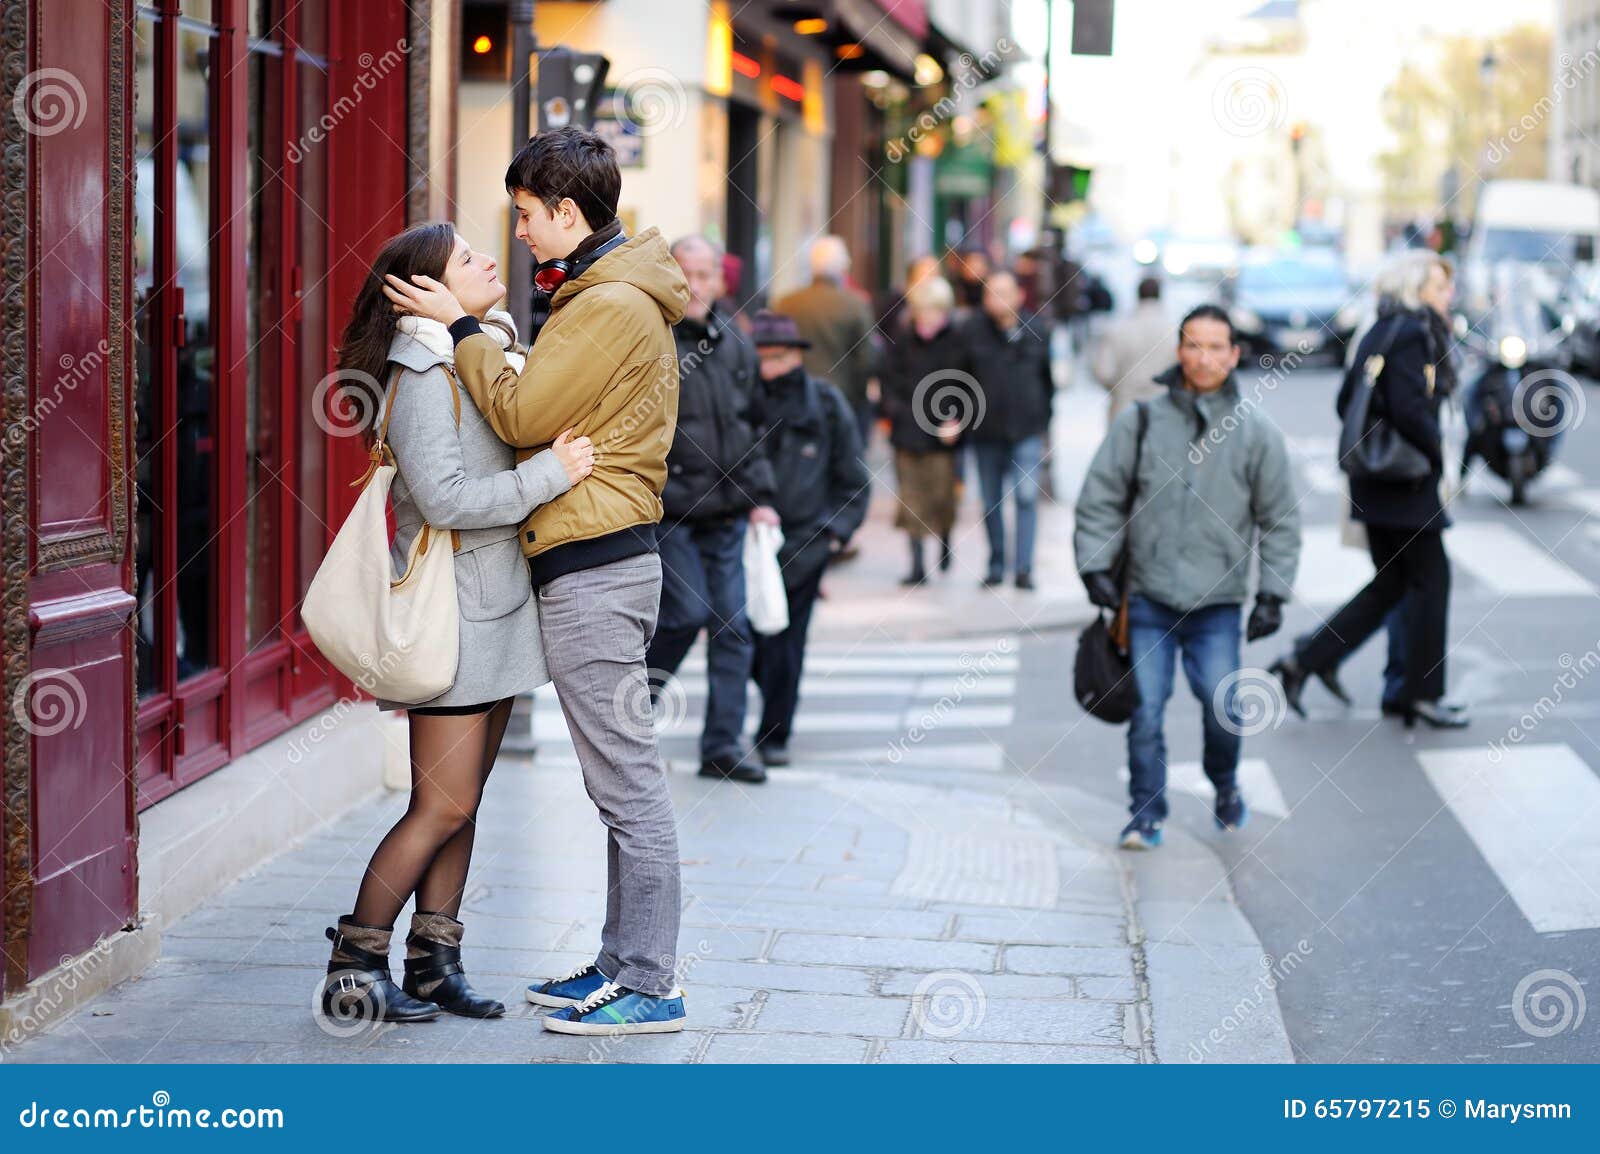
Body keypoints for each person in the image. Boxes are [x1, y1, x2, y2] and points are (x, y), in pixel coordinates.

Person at [384, 126, 691, 1035]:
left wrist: (465, 330)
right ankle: (618, 964)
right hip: (596, 555)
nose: (515, 231)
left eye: (523, 215)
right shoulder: (601, 291)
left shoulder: (606, 305)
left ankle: (649, 983)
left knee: (625, 783)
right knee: (616, 779)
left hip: (598, 565)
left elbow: (519, 414)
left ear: (568, 211)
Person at [322, 223, 595, 1024]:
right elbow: (443, 501)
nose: (486, 260)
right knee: (438, 806)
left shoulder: (480, 354)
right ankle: (354, 962)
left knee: (464, 802)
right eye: (465, 258)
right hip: (457, 616)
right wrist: (551, 474)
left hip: (501, 608)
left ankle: (435, 961)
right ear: (426, 291)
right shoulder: (422, 373)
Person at [1075, 305, 1301, 850]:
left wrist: (1272, 593)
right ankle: (1145, 814)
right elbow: (1100, 497)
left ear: (1234, 354)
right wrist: (1096, 564)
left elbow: (1280, 519)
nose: (1204, 358)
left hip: (1218, 602)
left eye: (1216, 347)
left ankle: (1225, 787)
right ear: (1179, 351)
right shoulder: (1141, 421)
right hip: (1148, 597)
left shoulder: (1256, 433)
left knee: (1223, 709)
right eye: (1194, 345)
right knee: (1147, 711)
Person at [1270, 251, 1468, 730]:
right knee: (1431, 578)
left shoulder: (1379, 328)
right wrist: (1435, 456)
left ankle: (1306, 661)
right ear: (1418, 289)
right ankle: (1421, 695)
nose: (1448, 296)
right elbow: (1408, 407)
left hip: (1371, 479)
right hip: (1405, 482)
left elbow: (1346, 401)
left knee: (1392, 585)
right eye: (1440, 287)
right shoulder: (1416, 333)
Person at [648, 235, 779, 785]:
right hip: (671, 509)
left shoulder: (734, 342)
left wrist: (761, 498)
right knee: (685, 614)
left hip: (727, 511)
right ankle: (628, 713)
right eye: (688, 274)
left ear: (721, 281)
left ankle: (723, 744)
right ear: (671, 276)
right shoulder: (652, 337)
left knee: (735, 625)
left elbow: (751, 425)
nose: (698, 285)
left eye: (707, 275)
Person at [746, 311, 871, 768]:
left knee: (786, 643)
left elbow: (853, 479)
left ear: (796, 356)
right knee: (746, 639)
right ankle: (742, 723)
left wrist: (832, 533)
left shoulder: (825, 403)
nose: (770, 367)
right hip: (745, 540)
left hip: (804, 541)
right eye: (762, 357)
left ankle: (775, 733)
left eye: (778, 357)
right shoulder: (741, 398)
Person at [963, 267, 1055, 590]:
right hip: (986, 432)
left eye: (1005, 291)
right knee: (991, 502)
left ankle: (1024, 568)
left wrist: (1045, 424)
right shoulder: (973, 331)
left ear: (1019, 295)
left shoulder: (1036, 329)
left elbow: (1047, 381)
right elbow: (959, 378)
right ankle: (997, 563)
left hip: (1026, 431)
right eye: (992, 292)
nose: (999, 299)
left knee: (1027, 498)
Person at [881, 276, 970, 585]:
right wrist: (894, 410)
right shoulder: (902, 339)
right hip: (907, 431)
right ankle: (917, 564)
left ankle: (945, 541)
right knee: (911, 498)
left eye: (933, 310)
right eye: (922, 310)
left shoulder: (957, 341)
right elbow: (889, 381)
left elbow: (966, 385)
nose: (927, 317)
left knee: (942, 496)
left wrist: (957, 419)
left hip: (942, 436)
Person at [775, 236, 878, 446]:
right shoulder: (855, 304)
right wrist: (858, 399)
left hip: (794, 402)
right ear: (841, 267)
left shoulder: (786, 304)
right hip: (840, 401)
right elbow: (866, 360)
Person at [1091, 276, 1171, 421]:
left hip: (1124, 407)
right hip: (1164, 411)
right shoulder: (1174, 331)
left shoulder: (1118, 329)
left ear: (1137, 295)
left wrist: (1117, 389)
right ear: (1160, 295)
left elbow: (1103, 372)